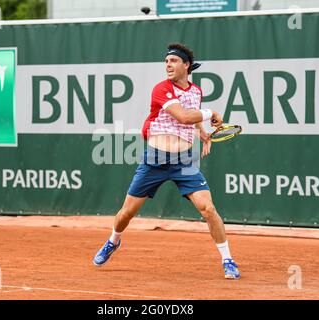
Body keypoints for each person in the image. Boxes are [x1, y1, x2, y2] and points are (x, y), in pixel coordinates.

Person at [93, 43, 240, 279]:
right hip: (155, 160)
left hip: (185, 161)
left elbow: (191, 116)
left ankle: (228, 260)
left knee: (209, 209)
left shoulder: (196, 91)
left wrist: (202, 132)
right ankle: (113, 241)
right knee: (126, 213)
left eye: (173, 61)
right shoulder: (161, 89)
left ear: (186, 65)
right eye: (166, 61)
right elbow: (182, 115)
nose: (168, 65)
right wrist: (211, 113)